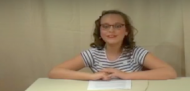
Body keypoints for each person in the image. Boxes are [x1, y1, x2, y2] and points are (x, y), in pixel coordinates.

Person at [48, 10, 176, 81]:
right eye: (105, 26)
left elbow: (169, 73)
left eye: (117, 26)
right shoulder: (93, 54)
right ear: (100, 32)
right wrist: (91, 77)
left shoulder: (136, 52)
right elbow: (55, 72)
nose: (111, 30)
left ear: (126, 31)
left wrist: (125, 75)